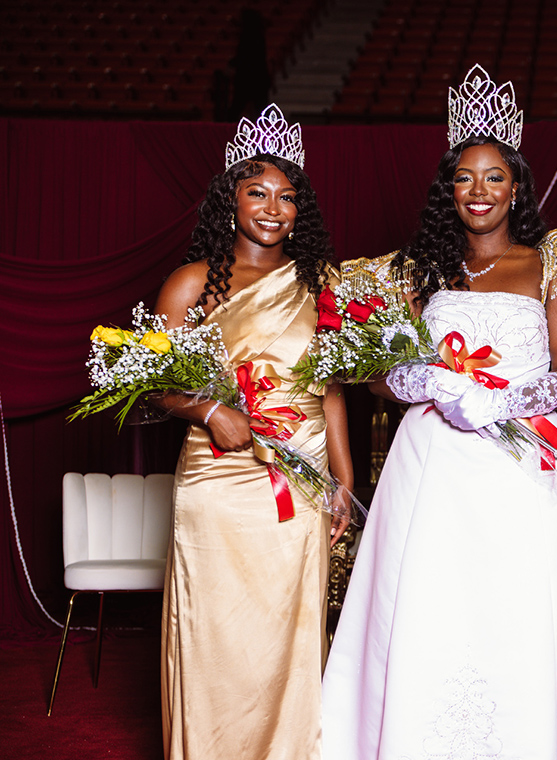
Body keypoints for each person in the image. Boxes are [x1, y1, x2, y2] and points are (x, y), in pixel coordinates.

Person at [321, 65, 557, 760]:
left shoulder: (548, 265)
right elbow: (379, 373)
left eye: (494, 177)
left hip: (522, 457)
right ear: (448, 190)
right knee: (432, 600)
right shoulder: (420, 271)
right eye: (465, 178)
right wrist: (423, 381)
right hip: (432, 462)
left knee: (521, 599)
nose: (478, 191)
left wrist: (502, 399)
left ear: (517, 188)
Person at [154, 104, 352, 760]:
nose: (273, 209)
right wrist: (210, 412)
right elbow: (151, 382)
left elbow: (328, 388)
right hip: (217, 479)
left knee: (287, 632)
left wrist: (345, 480)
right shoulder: (189, 284)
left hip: (298, 475)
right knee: (215, 633)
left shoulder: (320, 284)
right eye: (257, 193)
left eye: (287, 197)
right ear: (229, 199)